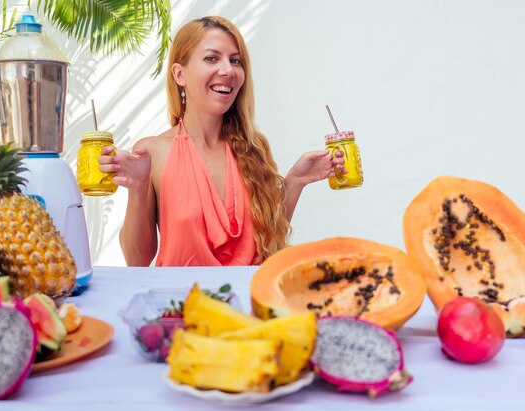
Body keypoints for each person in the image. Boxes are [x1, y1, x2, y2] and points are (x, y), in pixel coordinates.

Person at [99, 16, 345, 267]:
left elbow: (268, 237)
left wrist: (296, 180)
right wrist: (138, 189)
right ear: (179, 74)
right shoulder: (152, 152)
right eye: (211, 58)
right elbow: (137, 259)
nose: (228, 70)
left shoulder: (254, 147)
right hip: (183, 303)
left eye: (235, 60)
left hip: (249, 303)